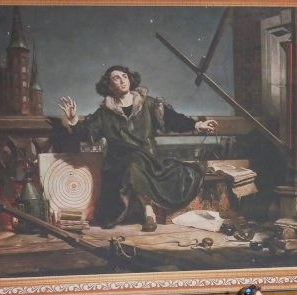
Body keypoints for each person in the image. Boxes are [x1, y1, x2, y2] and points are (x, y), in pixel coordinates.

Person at [59, 65, 218, 232]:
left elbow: (173, 119)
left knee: (137, 161)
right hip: (117, 164)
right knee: (132, 163)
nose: (122, 80)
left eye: (124, 76)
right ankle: (148, 212)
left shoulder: (148, 104)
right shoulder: (104, 113)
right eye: (116, 78)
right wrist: (73, 120)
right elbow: (86, 134)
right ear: (109, 86)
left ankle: (149, 212)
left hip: (149, 160)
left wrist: (198, 125)